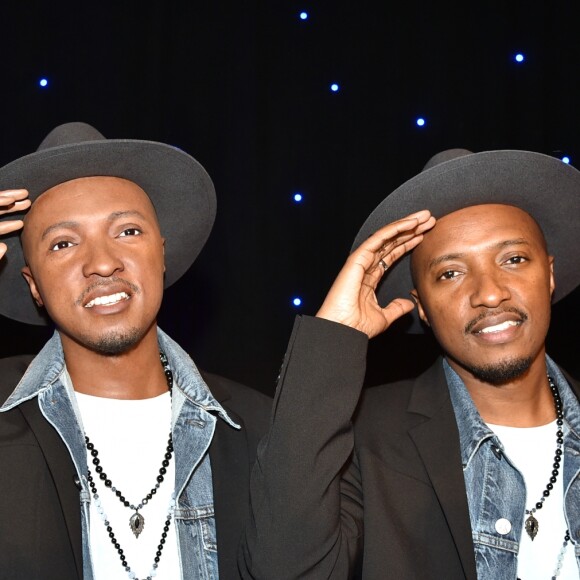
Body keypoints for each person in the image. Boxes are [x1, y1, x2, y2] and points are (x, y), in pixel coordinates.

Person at [239, 149, 580, 579]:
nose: (490, 294)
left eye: (513, 259)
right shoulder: (363, 440)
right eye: (450, 274)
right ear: (422, 306)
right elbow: (280, 569)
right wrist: (333, 336)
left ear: (548, 275)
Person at [0, 121, 273, 580]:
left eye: (127, 231)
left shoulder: (263, 430)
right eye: (64, 244)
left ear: (161, 254)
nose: (102, 263)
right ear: (35, 287)